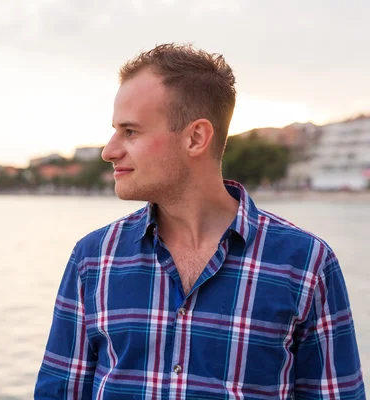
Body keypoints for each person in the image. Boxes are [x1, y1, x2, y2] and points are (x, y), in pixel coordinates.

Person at [34, 43, 365, 399]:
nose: (109, 151)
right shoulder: (92, 259)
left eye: (130, 132)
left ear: (195, 138)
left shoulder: (307, 264)